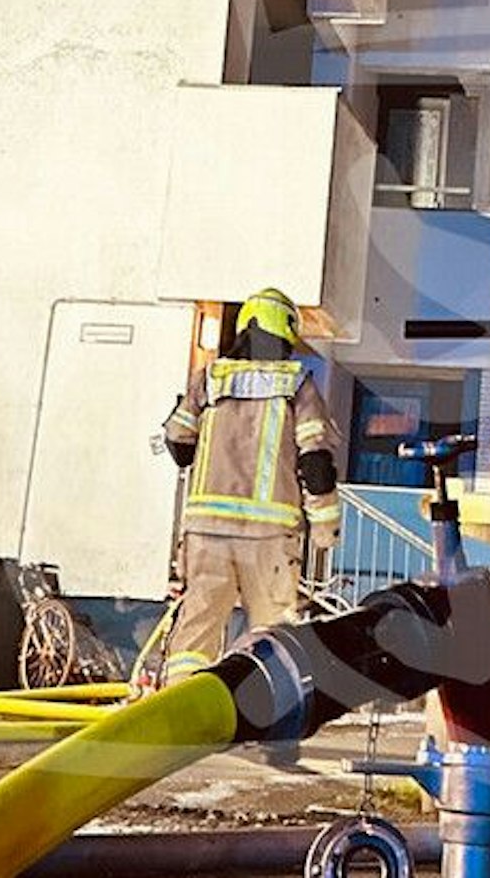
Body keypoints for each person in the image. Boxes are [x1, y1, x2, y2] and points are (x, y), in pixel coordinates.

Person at [158, 288, 341, 683]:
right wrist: (325, 526)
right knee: (272, 632)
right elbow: (315, 460)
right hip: (269, 536)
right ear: (287, 334)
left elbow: (178, 444)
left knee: (198, 627)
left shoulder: (208, 378)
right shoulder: (298, 383)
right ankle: (266, 714)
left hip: (206, 532)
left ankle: (181, 707)